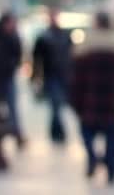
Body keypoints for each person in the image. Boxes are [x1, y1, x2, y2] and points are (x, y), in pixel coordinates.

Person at [70, 12, 114, 184]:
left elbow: (77, 76)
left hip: (91, 95)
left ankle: (93, 158)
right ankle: (111, 167)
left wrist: (75, 98)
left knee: (87, 131)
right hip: (111, 96)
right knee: (111, 133)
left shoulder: (85, 44)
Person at [32, 9, 72, 144]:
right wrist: (35, 76)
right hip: (51, 75)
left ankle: (56, 131)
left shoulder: (65, 35)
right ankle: (58, 131)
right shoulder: (43, 37)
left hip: (63, 74)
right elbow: (36, 58)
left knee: (58, 104)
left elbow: (71, 54)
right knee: (55, 104)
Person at [0, 12, 24, 148]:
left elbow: (18, 54)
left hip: (8, 77)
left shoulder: (14, 36)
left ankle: (17, 134)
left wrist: (12, 65)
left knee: (12, 108)